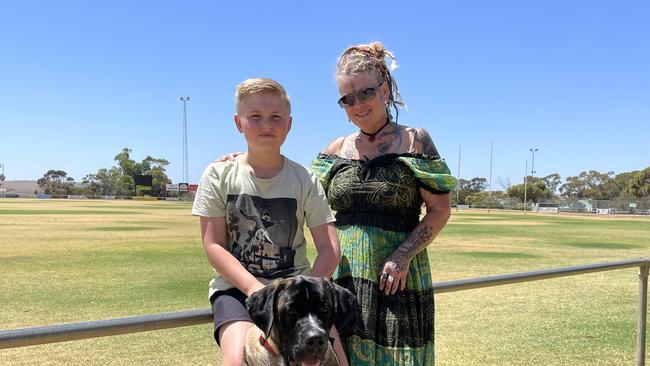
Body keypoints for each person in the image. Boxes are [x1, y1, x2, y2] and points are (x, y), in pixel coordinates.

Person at [310, 42, 458, 365]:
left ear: (385, 89)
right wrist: (249, 160)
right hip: (345, 283)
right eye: (347, 99)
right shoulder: (336, 149)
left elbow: (440, 208)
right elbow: (300, 193)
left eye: (366, 93)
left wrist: (403, 255)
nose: (358, 105)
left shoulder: (414, 141)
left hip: (397, 282)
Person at [192, 77, 345, 366]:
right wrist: (255, 289)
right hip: (237, 290)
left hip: (298, 295)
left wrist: (309, 289)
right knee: (237, 360)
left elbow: (329, 248)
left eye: (276, 117)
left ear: (289, 124)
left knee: (337, 360)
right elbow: (213, 244)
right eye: (255, 117)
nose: (266, 125)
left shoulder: (305, 180)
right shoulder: (218, 175)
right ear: (239, 123)